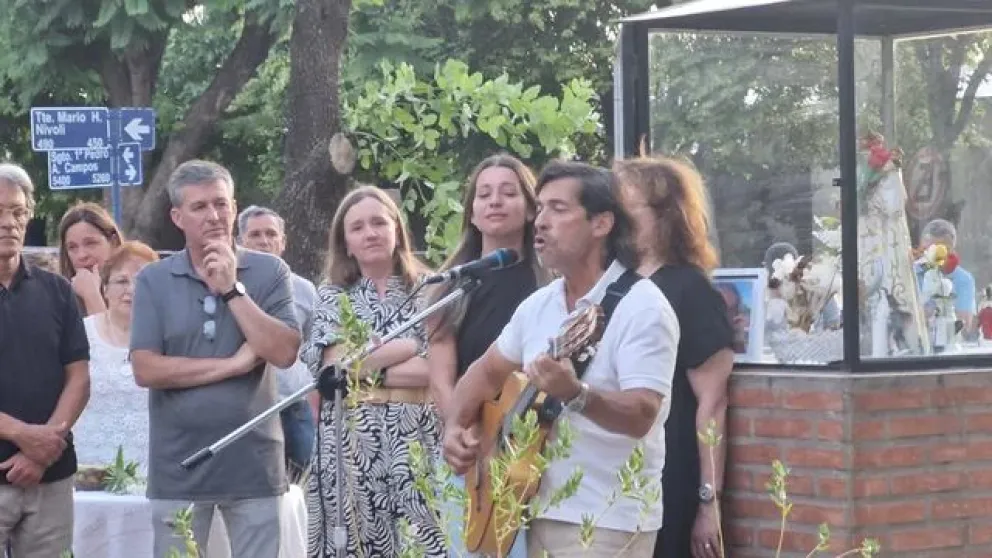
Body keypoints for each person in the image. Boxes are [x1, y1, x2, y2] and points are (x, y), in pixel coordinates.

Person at [443, 161, 679, 557]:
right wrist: (455, 426)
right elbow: (483, 374)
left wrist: (577, 393)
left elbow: (642, 413)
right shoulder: (540, 305)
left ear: (601, 223)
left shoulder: (643, 307)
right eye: (541, 208)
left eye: (559, 208)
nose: (540, 221)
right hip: (535, 507)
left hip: (606, 519)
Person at [130, 160, 302, 558]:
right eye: (200, 207)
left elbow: (284, 351)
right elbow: (146, 368)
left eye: (221, 205)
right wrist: (234, 365)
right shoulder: (154, 279)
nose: (214, 216)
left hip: (254, 465)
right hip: (179, 466)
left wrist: (231, 290)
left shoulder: (269, 271)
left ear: (235, 207)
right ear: (177, 216)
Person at [302, 185, 442, 557]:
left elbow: (436, 369)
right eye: (358, 227)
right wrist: (410, 346)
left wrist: (368, 367)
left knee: (424, 540)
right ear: (346, 243)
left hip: (417, 438)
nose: (370, 233)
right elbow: (335, 362)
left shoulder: (431, 291)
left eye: (379, 223)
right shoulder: (332, 295)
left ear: (397, 230)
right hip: (348, 442)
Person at [426, 154, 549, 558]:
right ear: (472, 213)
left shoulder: (550, 280)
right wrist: (456, 429)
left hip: (532, 445)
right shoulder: (453, 286)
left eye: (509, 192)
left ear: (532, 209)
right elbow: (441, 374)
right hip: (465, 445)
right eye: (484, 194)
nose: (495, 201)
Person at [615, 156, 735, 558]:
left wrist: (708, 503)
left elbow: (712, 403)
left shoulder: (690, 290)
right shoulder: (613, 284)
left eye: (626, 209)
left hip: (668, 477)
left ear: (664, 216)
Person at [0, 163, 91, 557]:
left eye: (18, 211)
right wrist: (23, 435)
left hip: (49, 478)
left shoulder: (57, 291)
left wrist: (45, 446)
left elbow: (79, 378)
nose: (8, 223)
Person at [237, 205, 318, 483]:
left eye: (271, 234)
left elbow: (313, 349)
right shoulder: (228, 288)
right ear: (240, 242)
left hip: (294, 407)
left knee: (303, 488)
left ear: (283, 242)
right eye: (255, 234)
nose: (263, 240)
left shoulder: (305, 290)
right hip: (246, 408)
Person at [73, 241, 159, 472]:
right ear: (105, 288)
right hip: (87, 468)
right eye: (122, 281)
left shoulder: (171, 340)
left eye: (142, 281)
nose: (131, 289)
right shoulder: (79, 334)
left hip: (152, 469)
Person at [57, 202, 123, 316]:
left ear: (113, 242)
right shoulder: (58, 299)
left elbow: (107, 333)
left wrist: (92, 296)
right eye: (72, 247)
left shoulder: (134, 291)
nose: (81, 255)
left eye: (90, 243)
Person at [914, 219, 976, 335]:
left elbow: (964, 325)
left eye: (942, 250)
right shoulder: (911, 274)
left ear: (952, 249)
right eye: (930, 249)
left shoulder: (963, 280)